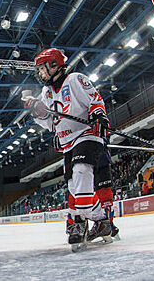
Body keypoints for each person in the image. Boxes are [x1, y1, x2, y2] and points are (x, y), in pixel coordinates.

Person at [24, 48, 112, 245]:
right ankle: (101, 221)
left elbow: (95, 100)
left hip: (86, 134)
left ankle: (79, 222)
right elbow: (50, 123)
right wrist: (39, 113)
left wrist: (98, 115)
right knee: (74, 187)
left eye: (43, 68)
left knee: (81, 172)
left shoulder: (74, 79)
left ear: (55, 65)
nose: (40, 73)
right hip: (68, 143)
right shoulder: (46, 92)